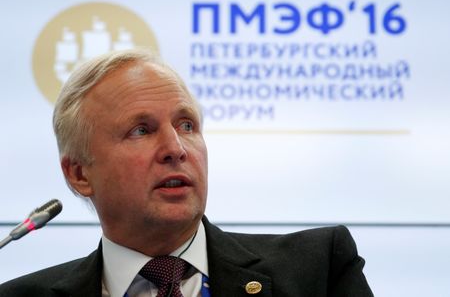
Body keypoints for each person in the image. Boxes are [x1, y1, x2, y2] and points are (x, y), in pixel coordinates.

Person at [0, 49, 373, 297]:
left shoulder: (317, 270)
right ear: (79, 173)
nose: (176, 149)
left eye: (187, 125)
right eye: (141, 130)